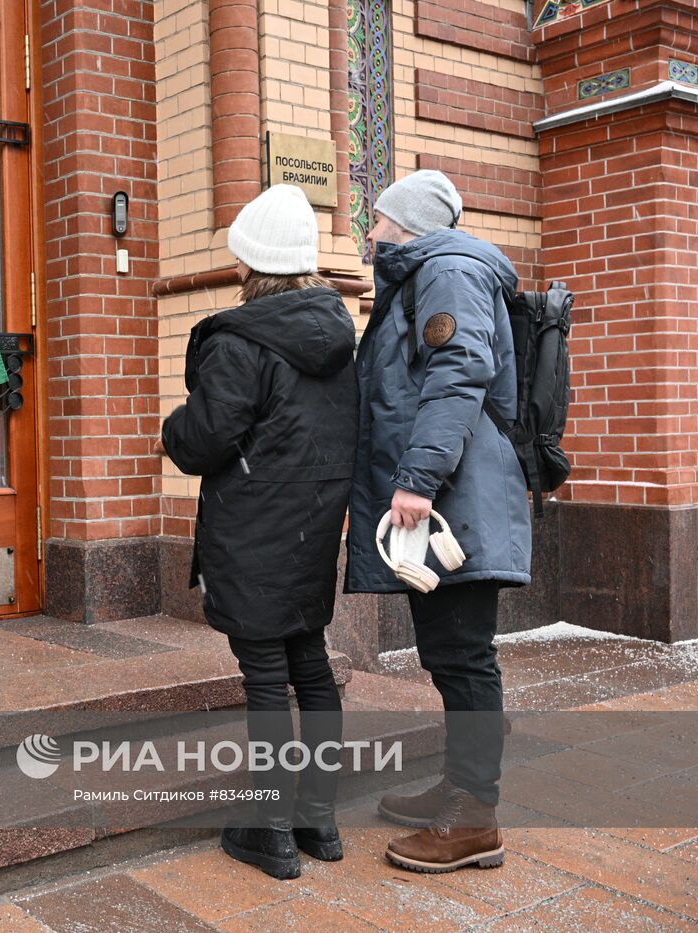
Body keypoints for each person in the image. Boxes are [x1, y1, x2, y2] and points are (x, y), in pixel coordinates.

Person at [161, 184, 359, 880]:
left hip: (252, 530)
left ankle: (271, 831)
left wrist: (171, 427)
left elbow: (203, 439)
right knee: (312, 664)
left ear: (252, 262)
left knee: (268, 678)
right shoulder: (338, 337)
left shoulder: (240, 340)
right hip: (313, 528)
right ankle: (321, 820)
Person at [345, 169, 530, 873]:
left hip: (455, 497)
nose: (370, 230)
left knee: (465, 655)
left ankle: (474, 817)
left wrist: (417, 481)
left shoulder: (447, 269)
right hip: (453, 498)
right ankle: (459, 789)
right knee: (449, 653)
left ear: (410, 225)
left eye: (380, 219)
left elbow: (457, 372)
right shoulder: (430, 272)